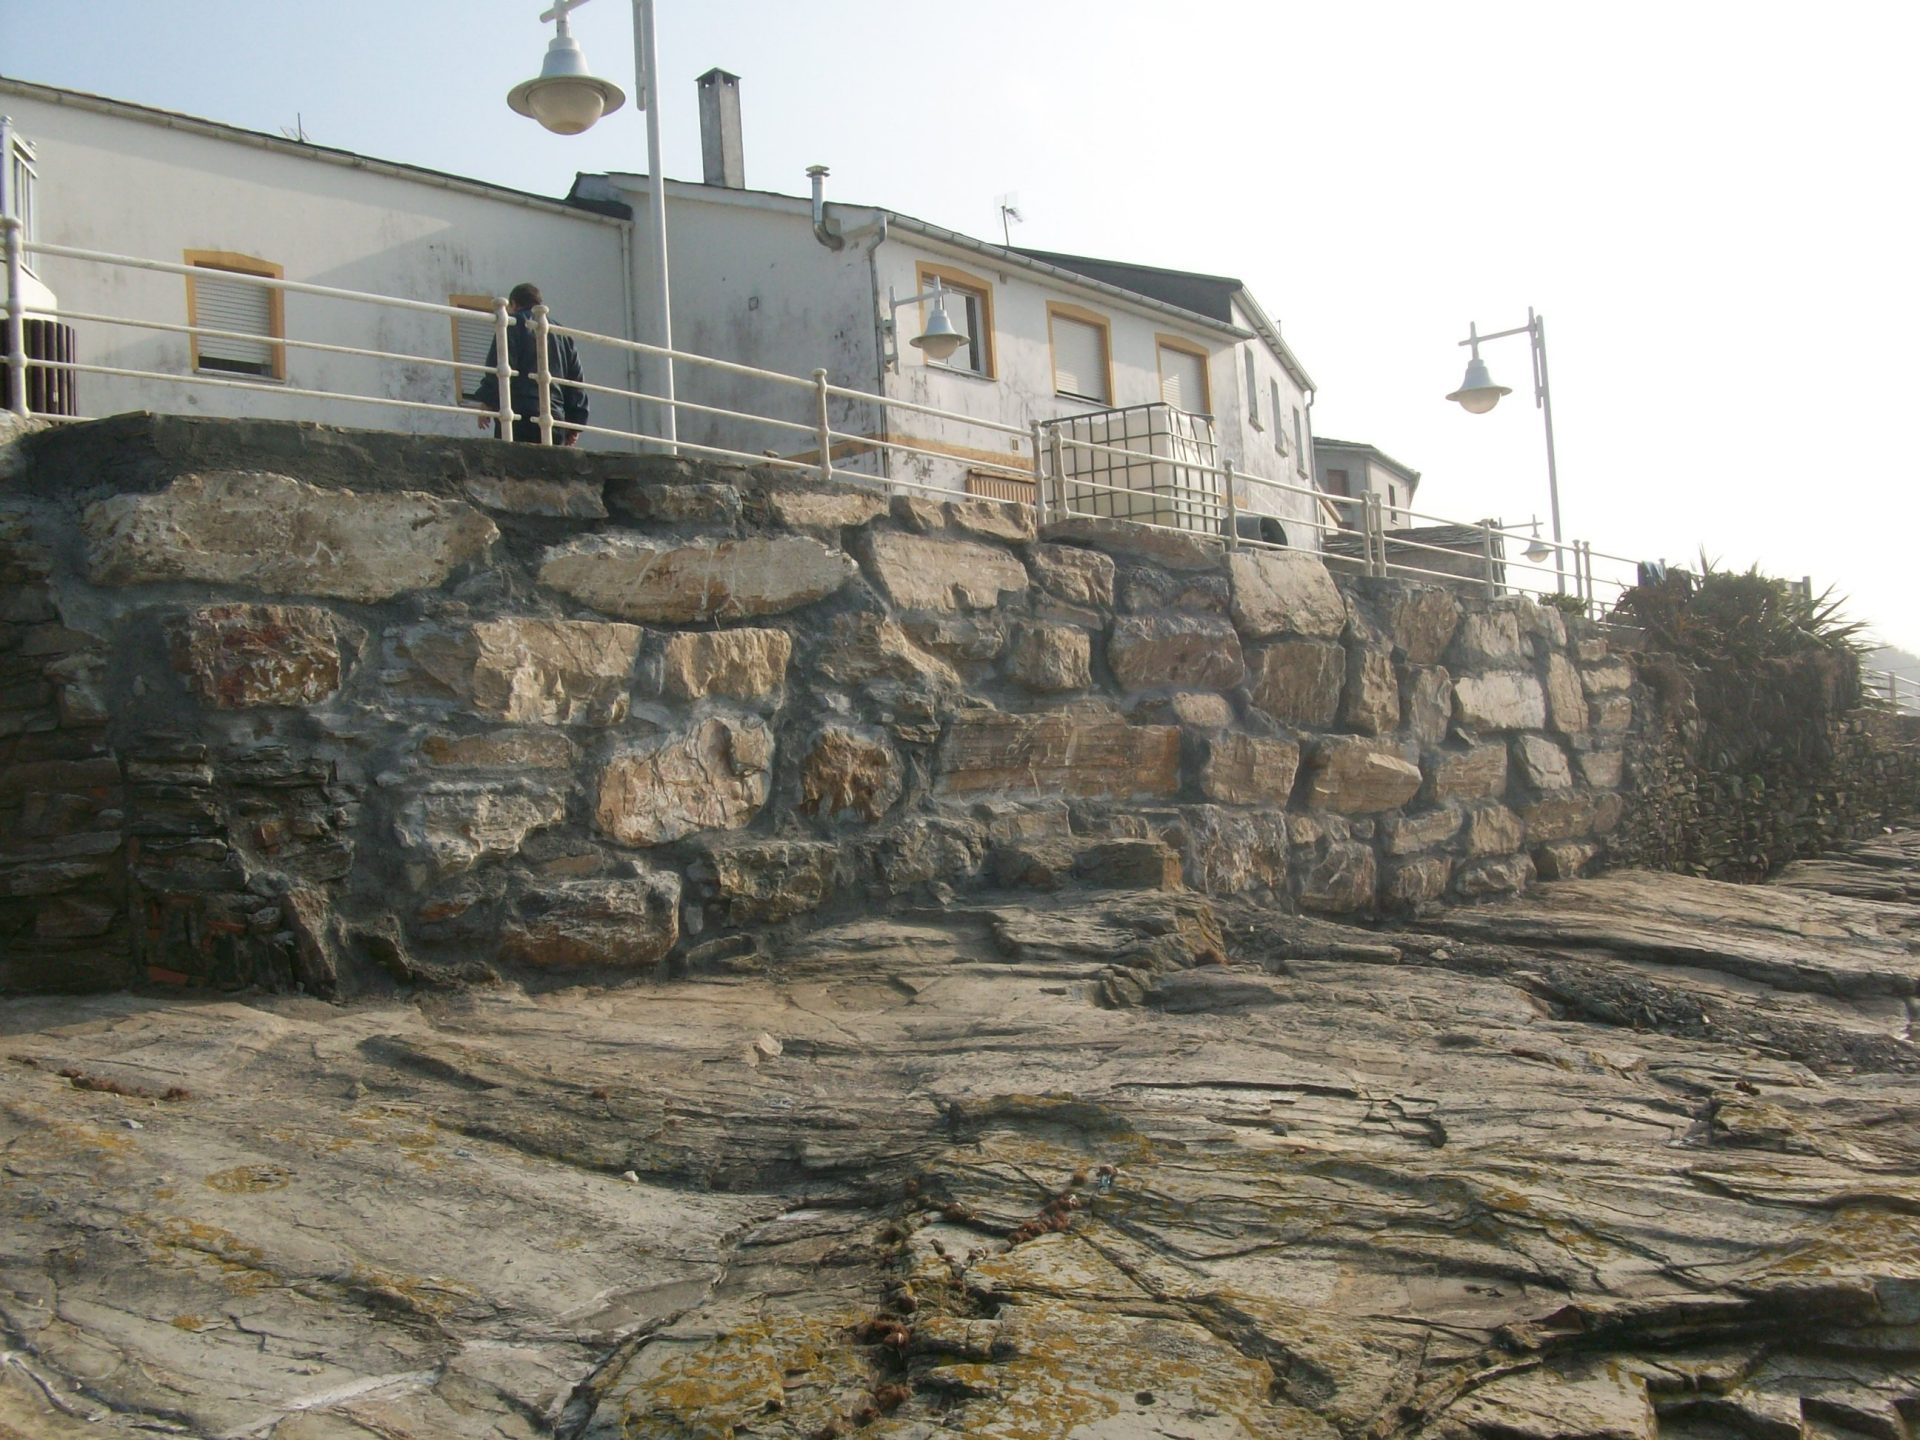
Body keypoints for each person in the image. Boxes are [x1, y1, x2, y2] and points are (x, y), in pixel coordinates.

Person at [473, 283, 588, 445]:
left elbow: (500, 367)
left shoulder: (511, 325)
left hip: (517, 415)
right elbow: (575, 381)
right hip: (553, 417)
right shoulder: (562, 335)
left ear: (513, 304)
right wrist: (575, 424)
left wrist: (487, 402)